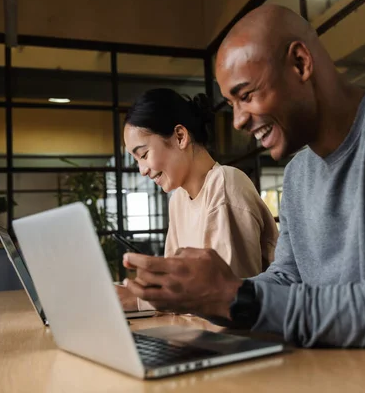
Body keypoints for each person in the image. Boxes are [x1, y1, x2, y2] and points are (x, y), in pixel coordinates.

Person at [121, 5, 365, 380]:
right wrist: (210, 293)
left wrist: (232, 297)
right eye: (231, 103)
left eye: (247, 94)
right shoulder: (298, 175)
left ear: (300, 63)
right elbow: (290, 278)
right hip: (361, 374)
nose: (239, 120)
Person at [118, 88, 279, 311]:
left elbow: (225, 299)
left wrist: (138, 300)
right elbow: (175, 287)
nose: (142, 170)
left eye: (144, 155)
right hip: (200, 328)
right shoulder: (178, 200)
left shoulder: (224, 184)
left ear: (180, 137)